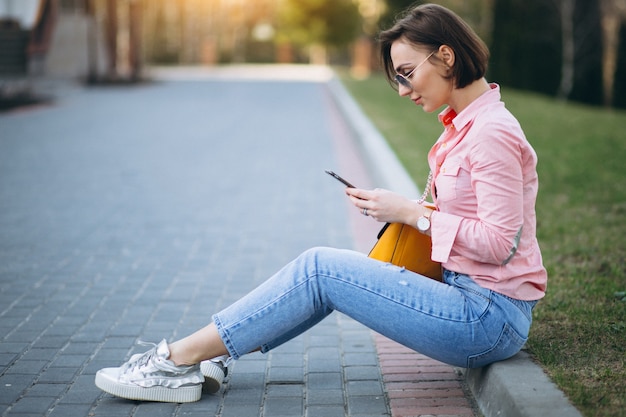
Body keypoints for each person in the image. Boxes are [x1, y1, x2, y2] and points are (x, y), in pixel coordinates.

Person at [95, 3, 547, 403]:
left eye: (407, 73)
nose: (404, 89)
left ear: (446, 56)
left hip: (486, 318)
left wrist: (409, 212)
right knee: (319, 276)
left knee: (319, 269)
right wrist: (398, 207)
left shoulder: (491, 135)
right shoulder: (466, 127)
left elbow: (500, 244)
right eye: (398, 79)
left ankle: (173, 362)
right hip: (468, 298)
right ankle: (212, 354)